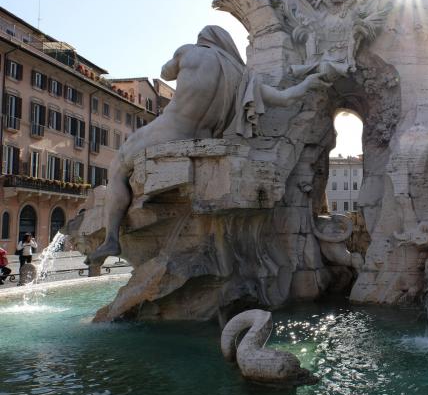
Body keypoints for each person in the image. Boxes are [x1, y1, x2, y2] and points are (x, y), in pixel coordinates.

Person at [86, 26, 331, 266]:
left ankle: (110, 239)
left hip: (169, 132)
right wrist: (310, 82)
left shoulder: (189, 51)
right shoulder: (243, 77)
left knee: (117, 167)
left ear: (204, 39)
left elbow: (165, 72)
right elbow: (285, 98)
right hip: (204, 137)